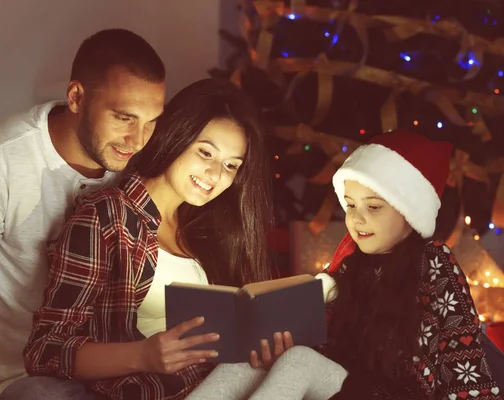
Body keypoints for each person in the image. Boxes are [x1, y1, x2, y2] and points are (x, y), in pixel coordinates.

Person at [0, 29, 166, 400]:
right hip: (22, 381)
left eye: (151, 121)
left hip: (121, 372)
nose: (138, 139)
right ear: (76, 97)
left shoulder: (139, 163)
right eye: (124, 118)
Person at [187, 130, 503, 399]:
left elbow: (464, 364)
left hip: (399, 393)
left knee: (299, 361)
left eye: (374, 207)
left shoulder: (433, 261)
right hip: (348, 385)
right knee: (251, 360)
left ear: (410, 213)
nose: (357, 218)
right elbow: (334, 348)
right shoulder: (352, 268)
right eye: (350, 205)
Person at [19, 78, 275, 400]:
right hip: (161, 391)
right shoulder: (107, 218)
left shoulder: (211, 230)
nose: (215, 174)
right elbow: (45, 350)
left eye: (230, 165)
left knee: (309, 366)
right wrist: (144, 355)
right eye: (206, 153)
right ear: (176, 136)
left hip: (226, 382)